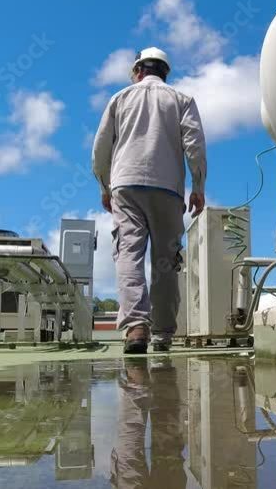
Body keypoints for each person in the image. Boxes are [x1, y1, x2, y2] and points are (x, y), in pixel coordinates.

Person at [92, 47, 207, 354]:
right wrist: (198, 185)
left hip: (126, 185)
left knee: (128, 253)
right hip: (168, 188)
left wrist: (104, 187)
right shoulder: (182, 100)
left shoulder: (119, 99)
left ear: (138, 71)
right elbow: (194, 145)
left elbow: (101, 150)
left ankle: (136, 328)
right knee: (166, 261)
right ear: (164, 72)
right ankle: (164, 334)